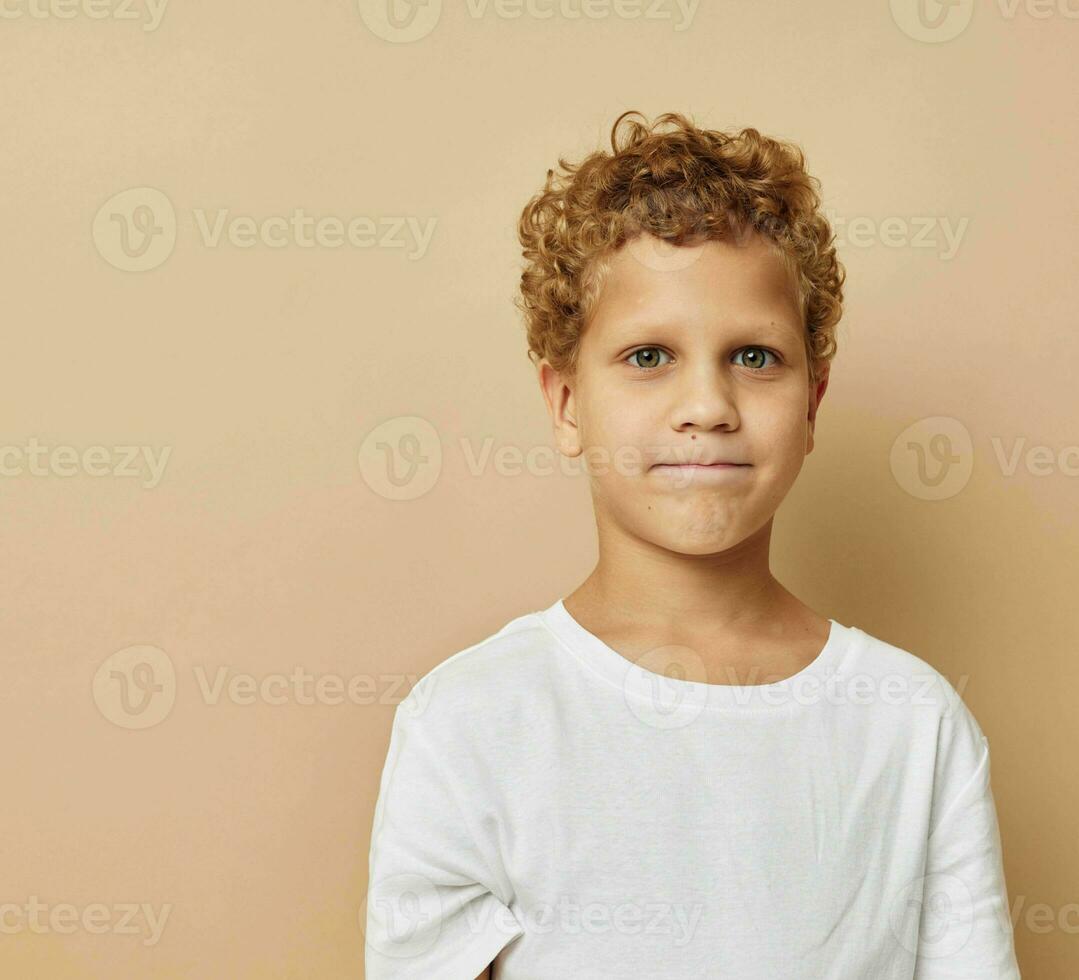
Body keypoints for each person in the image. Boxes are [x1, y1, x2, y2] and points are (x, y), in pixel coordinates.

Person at [364, 110, 1022, 979]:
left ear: (814, 403)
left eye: (754, 357)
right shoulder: (471, 725)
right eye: (647, 357)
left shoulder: (914, 725)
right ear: (566, 404)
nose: (707, 405)